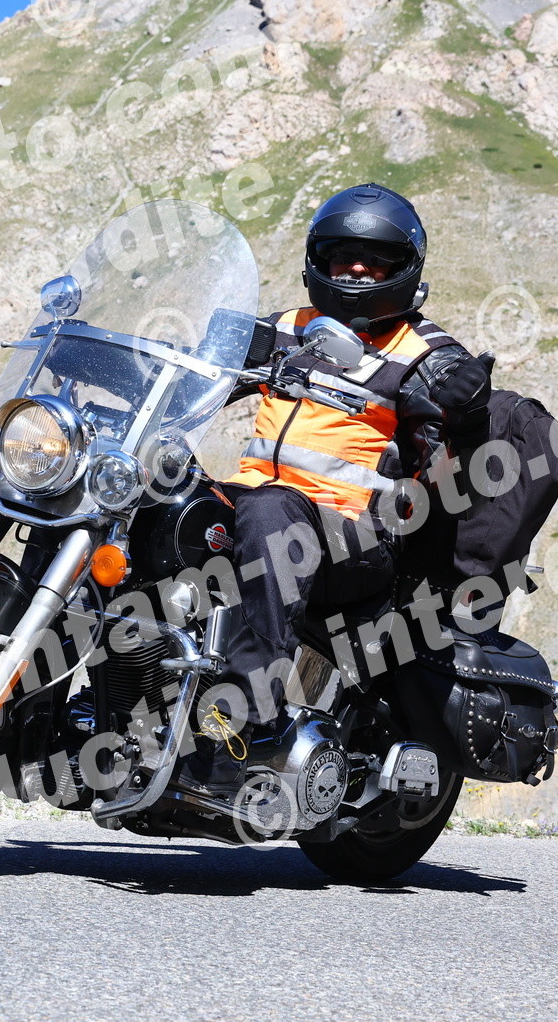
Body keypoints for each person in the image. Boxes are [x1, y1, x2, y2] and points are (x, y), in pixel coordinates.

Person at [182, 183, 493, 794]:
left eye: (374, 261)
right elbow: (196, 376)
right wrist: (117, 360)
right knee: (164, 502)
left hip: (356, 538)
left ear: (404, 270)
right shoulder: (286, 329)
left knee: (271, 513)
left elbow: (460, 464)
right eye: (343, 256)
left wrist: (467, 413)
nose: (356, 270)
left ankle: (243, 727)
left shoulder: (425, 354)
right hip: (258, 505)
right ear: (317, 260)